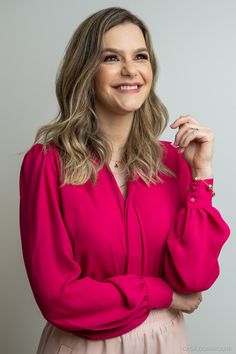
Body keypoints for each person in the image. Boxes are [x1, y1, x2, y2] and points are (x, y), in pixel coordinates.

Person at [19, 7, 230, 354]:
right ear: (85, 71)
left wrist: (201, 180)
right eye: (112, 57)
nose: (131, 70)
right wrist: (161, 294)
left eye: (140, 56)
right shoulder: (47, 164)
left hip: (167, 343)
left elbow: (194, 280)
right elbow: (58, 299)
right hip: (82, 346)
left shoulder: (173, 161)